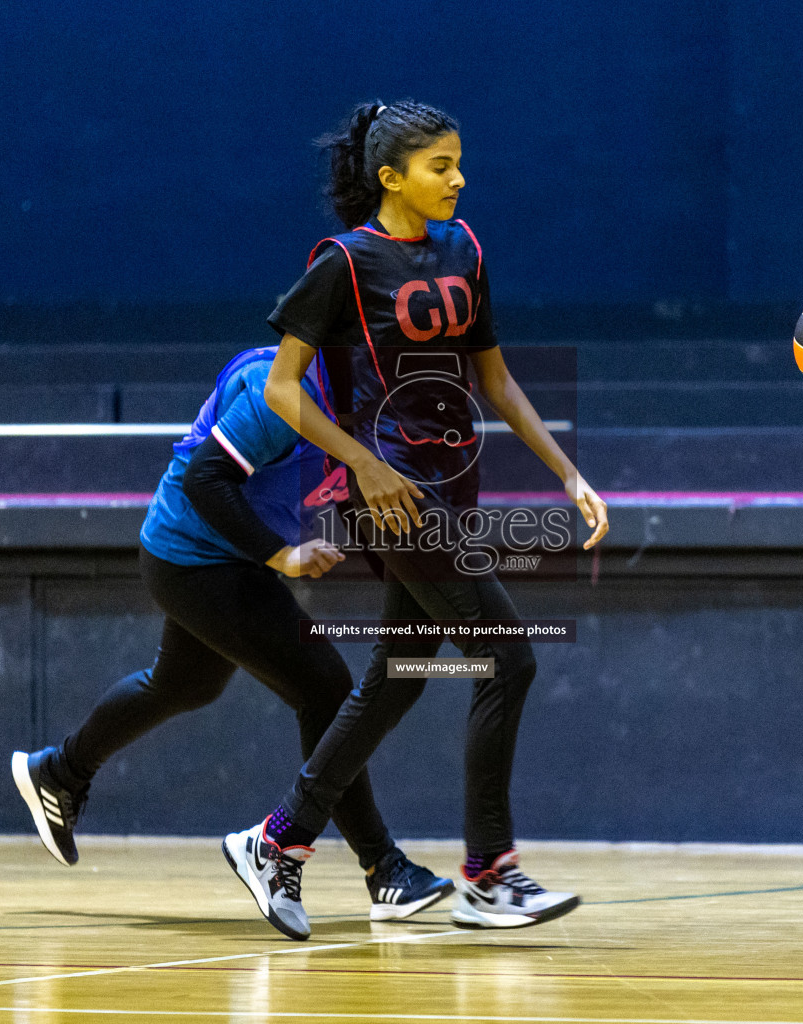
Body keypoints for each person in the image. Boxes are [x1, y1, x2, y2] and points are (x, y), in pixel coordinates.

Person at [222, 100, 609, 940]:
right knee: (507, 661)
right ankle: (488, 873)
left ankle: (275, 840)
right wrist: (362, 463)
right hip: (392, 498)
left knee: (398, 676)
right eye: (441, 166)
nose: (460, 179)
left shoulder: (465, 249)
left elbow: (497, 383)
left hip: (452, 487)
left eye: (461, 162)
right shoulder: (342, 264)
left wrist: (569, 475)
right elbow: (284, 390)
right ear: (390, 177)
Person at [12, 344, 452, 922]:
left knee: (184, 684)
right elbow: (205, 480)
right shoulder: (282, 393)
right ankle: (383, 869)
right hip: (193, 556)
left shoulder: (366, 402)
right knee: (323, 685)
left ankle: (58, 773)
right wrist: (282, 556)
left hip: (226, 553)